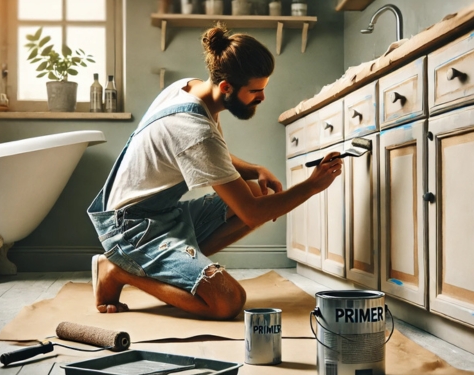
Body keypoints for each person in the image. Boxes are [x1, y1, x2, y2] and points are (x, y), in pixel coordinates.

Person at [87, 24, 342, 320]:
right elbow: (252, 213)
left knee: (257, 189)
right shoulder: (196, 131)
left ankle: (173, 267)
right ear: (226, 88)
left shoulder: (189, 88)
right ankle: (118, 270)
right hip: (132, 230)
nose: (262, 98)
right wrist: (312, 186)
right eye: (255, 91)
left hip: (160, 216)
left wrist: (254, 169)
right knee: (228, 302)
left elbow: (211, 156)